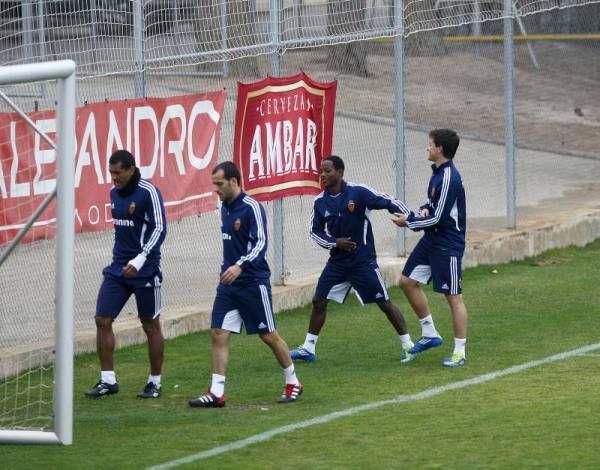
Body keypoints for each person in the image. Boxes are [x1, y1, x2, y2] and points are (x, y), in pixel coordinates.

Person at [188, 161, 303, 408]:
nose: (215, 190)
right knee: (218, 332)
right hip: (228, 285)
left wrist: (240, 265)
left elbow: (260, 244)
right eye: (213, 185)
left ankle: (293, 381)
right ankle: (217, 392)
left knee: (268, 335)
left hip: (253, 283)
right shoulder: (225, 208)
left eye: (219, 184)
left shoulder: (252, 208)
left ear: (234, 182)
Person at [290, 155, 416, 363]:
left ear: (340, 172)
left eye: (328, 171)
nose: (323, 175)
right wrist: (334, 243)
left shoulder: (358, 193)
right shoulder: (320, 202)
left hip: (362, 261)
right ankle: (308, 348)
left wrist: (408, 216)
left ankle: (409, 346)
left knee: (383, 302)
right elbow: (315, 232)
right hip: (337, 263)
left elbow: (388, 201)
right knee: (319, 301)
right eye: (321, 171)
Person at [85, 150, 167, 398]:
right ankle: (108, 380)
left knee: (150, 325)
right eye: (111, 173)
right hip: (118, 268)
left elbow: (160, 228)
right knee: (102, 319)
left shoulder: (148, 192)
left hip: (145, 270)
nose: (113, 178)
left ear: (131, 169)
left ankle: (155, 382)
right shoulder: (113, 193)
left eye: (118, 173)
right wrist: (123, 260)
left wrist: (141, 259)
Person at [391, 129, 468, 367]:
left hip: (447, 243)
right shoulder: (437, 173)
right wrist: (424, 208)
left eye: (430, 144)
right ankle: (430, 334)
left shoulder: (449, 177)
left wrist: (410, 221)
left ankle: (459, 352)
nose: (427, 148)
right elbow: (434, 207)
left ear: (440, 149)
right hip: (431, 240)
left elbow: (439, 219)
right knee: (406, 281)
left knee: (453, 298)